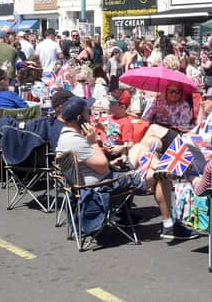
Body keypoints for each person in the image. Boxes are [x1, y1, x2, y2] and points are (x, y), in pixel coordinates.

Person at [56, 97, 199, 240]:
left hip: (95, 184)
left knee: (143, 146)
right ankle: (169, 223)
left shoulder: (67, 136)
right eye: (88, 113)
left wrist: (113, 158)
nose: (91, 116)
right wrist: (93, 142)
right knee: (157, 175)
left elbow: (98, 166)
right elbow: (103, 168)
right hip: (105, 187)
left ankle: (164, 170)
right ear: (80, 118)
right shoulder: (77, 141)